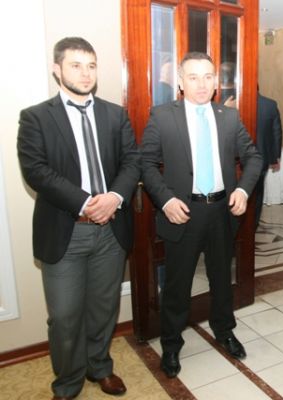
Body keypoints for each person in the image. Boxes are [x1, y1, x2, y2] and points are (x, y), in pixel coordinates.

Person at [17, 37, 140, 400]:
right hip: (65, 232)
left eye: (91, 66)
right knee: (64, 317)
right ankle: (68, 383)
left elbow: (132, 162)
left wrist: (114, 198)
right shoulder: (36, 117)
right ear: (57, 69)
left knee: (103, 309)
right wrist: (87, 203)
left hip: (111, 231)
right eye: (76, 65)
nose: (85, 74)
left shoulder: (115, 114)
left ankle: (99, 367)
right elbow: (36, 171)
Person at [141, 52, 262, 378]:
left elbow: (253, 157)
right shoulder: (162, 116)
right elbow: (146, 163)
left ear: (216, 82)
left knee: (222, 278)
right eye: (193, 77)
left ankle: (224, 330)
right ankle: (171, 344)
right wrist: (166, 200)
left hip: (222, 210)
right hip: (183, 212)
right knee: (177, 285)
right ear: (181, 82)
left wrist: (243, 190)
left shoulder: (229, 117)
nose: (202, 84)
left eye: (208, 77)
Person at [254, 91, 282, 228]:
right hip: (262, 157)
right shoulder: (270, 104)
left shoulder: (236, 102)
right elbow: (277, 132)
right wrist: (275, 158)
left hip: (238, 159)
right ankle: (254, 223)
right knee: (258, 193)